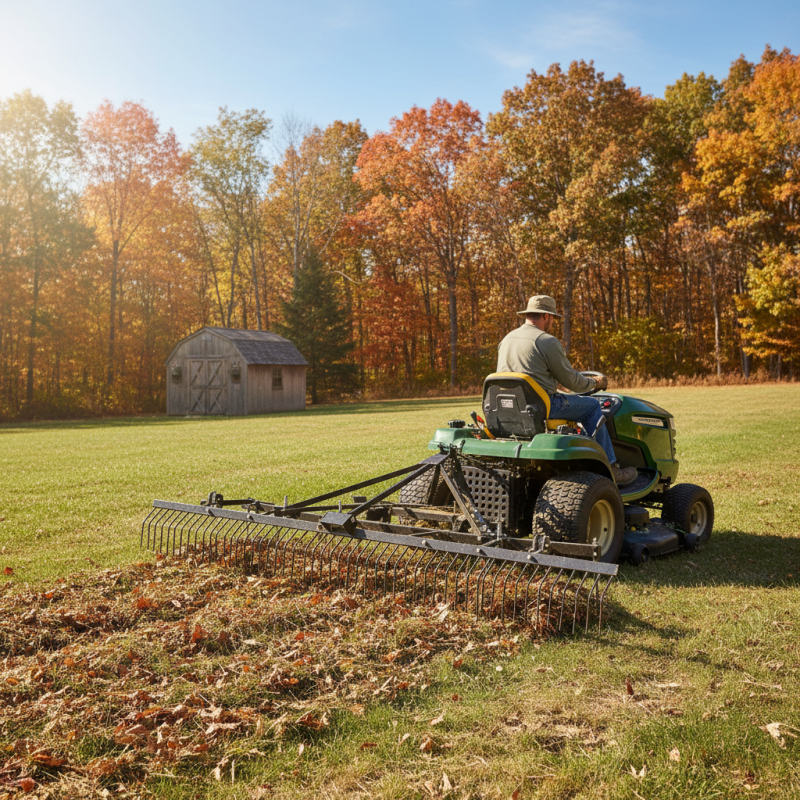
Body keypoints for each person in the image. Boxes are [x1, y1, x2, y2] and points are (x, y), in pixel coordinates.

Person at [497, 295, 638, 487]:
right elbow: (574, 383)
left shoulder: (507, 339)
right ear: (546, 316)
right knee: (592, 406)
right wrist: (595, 383)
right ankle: (611, 468)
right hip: (541, 407)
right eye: (553, 317)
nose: (553, 322)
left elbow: (531, 376)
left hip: (509, 409)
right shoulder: (546, 341)